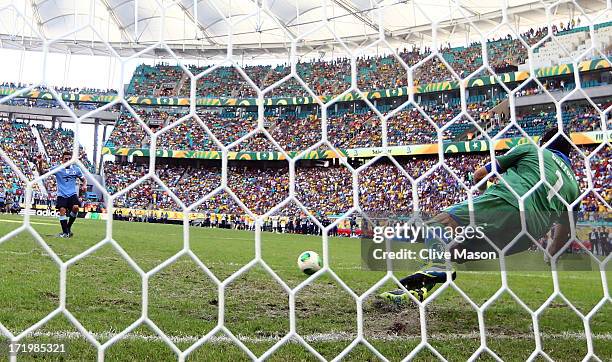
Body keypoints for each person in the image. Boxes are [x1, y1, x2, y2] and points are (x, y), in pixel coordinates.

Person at [379, 128, 581, 303]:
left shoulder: (532, 149)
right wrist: (551, 253)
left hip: (507, 201)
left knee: (439, 224)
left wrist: (486, 195)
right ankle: (417, 290)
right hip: (528, 235)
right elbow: (565, 230)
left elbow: (479, 175)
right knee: (453, 249)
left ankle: (439, 266)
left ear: (544, 142)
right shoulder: (575, 186)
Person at [35, 151, 87, 238]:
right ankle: (65, 233)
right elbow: (42, 173)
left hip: (72, 194)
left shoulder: (76, 169)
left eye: (69, 159)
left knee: (76, 208)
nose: (68, 160)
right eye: (66, 159)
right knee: (62, 210)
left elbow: (84, 179)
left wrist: (84, 185)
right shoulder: (57, 168)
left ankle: (68, 227)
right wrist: (40, 162)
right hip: (61, 194)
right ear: (62, 160)